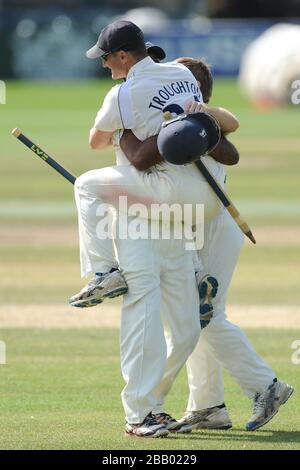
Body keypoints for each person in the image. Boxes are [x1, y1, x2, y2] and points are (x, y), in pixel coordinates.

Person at [71, 20, 229, 437]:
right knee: (173, 321)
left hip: (152, 203)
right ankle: (144, 411)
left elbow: (95, 141)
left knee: (87, 184)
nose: (105, 66)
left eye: (106, 58)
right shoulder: (181, 73)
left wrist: (126, 129)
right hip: (180, 210)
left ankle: (102, 272)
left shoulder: (120, 92)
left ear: (122, 56)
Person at [120, 55, 294, 432]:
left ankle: (266, 385)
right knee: (192, 319)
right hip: (196, 227)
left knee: (204, 317)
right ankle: (208, 405)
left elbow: (229, 151)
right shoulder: (177, 121)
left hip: (213, 227)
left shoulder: (201, 122)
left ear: (190, 89)